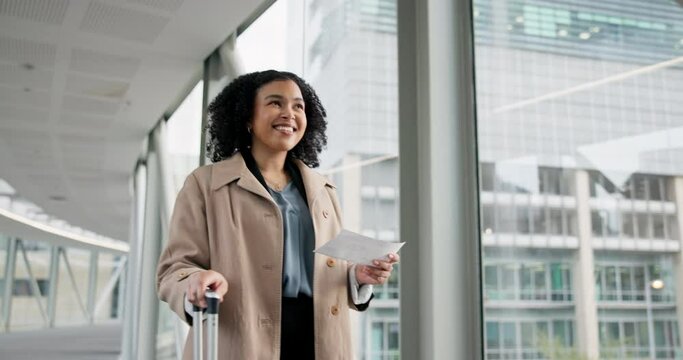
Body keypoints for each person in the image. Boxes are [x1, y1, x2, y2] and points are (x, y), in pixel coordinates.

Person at [156, 70, 399, 360]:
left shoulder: (324, 189)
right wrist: (194, 281)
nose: (289, 113)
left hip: (320, 338)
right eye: (275, 103)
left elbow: (327, 270)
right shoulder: (206, 185)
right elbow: (174, 268)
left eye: (298, 106)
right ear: (246, 116)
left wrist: (357, 276)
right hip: (241, 337)